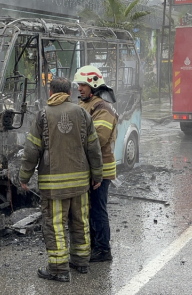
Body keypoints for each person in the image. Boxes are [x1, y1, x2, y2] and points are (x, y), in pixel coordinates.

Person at [19, 77, 104, 282]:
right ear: (69, 93)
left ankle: (58, 269)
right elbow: (94, 147)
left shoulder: (43, 115)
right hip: (80, 183)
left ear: (51, 92)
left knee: (55, 225)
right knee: (80, 221)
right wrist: (97, 174)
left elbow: (32, 150)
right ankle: (81, 262)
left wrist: (24, 176)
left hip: (54, 186)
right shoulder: (82, 114)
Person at [74, 65, 118, 263]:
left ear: (93, 84)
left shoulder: (103, 108)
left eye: (83, 84)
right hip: (87, 167)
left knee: (98, 210)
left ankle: (103, 250)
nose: (79, 88)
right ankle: (93, 245)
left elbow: (97, 140)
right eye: (78, 85)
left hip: (100, 169)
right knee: (89, 209)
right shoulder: (85, 104)